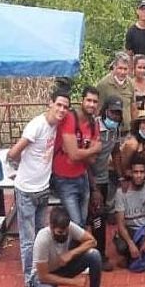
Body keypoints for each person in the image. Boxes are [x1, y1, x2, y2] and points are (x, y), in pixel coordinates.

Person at [7, 89, 70, 287]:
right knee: (27, 240)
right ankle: (29, 282)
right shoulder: (37, 125)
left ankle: (40, 272)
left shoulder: (55, 126)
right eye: (58, 105)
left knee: (40, 237)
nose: (62, 109)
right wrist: (19, 169)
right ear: (50, 103)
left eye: (65, 106)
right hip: (26, 191)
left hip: (42, 190)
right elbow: (13, 153)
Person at [31, 206, 116, 287]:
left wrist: (71, 253)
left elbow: (92, 241)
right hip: (43, 275)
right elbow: (43, 276)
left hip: (63, 266)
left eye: (66, 231)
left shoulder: (68, 226)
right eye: (60, 232)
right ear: (51, 227)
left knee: (94, 255)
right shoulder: (42, 239)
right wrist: (73, 282)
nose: (64, 234)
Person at [51, 86, 102, 227]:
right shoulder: (69, 118)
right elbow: (74, 156)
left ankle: (77, 248)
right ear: (81, 100)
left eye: (95, 102)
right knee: (75, 223)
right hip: (64, 179)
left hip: (82, 176)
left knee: (83, 221)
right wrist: (93, 148)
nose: (91, 104)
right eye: (89, 100)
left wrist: (76, 152)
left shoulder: (93, 124)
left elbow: (91, 159)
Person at [88, 95, 124, 272]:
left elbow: (116, 153)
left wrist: (121, 176)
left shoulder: (115, 129)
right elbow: (86, 159)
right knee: (89, 218)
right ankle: (88, 255)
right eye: (112, 113)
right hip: (86, 178)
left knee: (99, 218)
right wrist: (93, 188)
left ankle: (99, 253)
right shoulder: (93, 126)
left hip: (102, 178)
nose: (115, 117)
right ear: (105, 111)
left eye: (118, 113)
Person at [113, 160, 145, 268]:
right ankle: (130, 256)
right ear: (130, 173)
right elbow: (120, 224)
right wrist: (130, 243)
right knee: (122, 247)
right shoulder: (121, 192)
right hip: (130, 229)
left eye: (141, 172)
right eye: (135, 172)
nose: (139, 175)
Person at [97, 51, 137, 134]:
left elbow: (133, 108)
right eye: (120, 68)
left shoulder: (131, 83)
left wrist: (135, 130)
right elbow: (98, 109)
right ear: (114, 67)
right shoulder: (103, 84)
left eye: (125, 69)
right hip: (108, 132)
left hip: (126, 131)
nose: (122, 72)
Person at [121, 110, 145, 188]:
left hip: (139, 176)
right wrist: (124, 178)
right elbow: (123, 165)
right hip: (126, 177)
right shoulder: (132, 143)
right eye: (143, 123)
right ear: (138, 125)